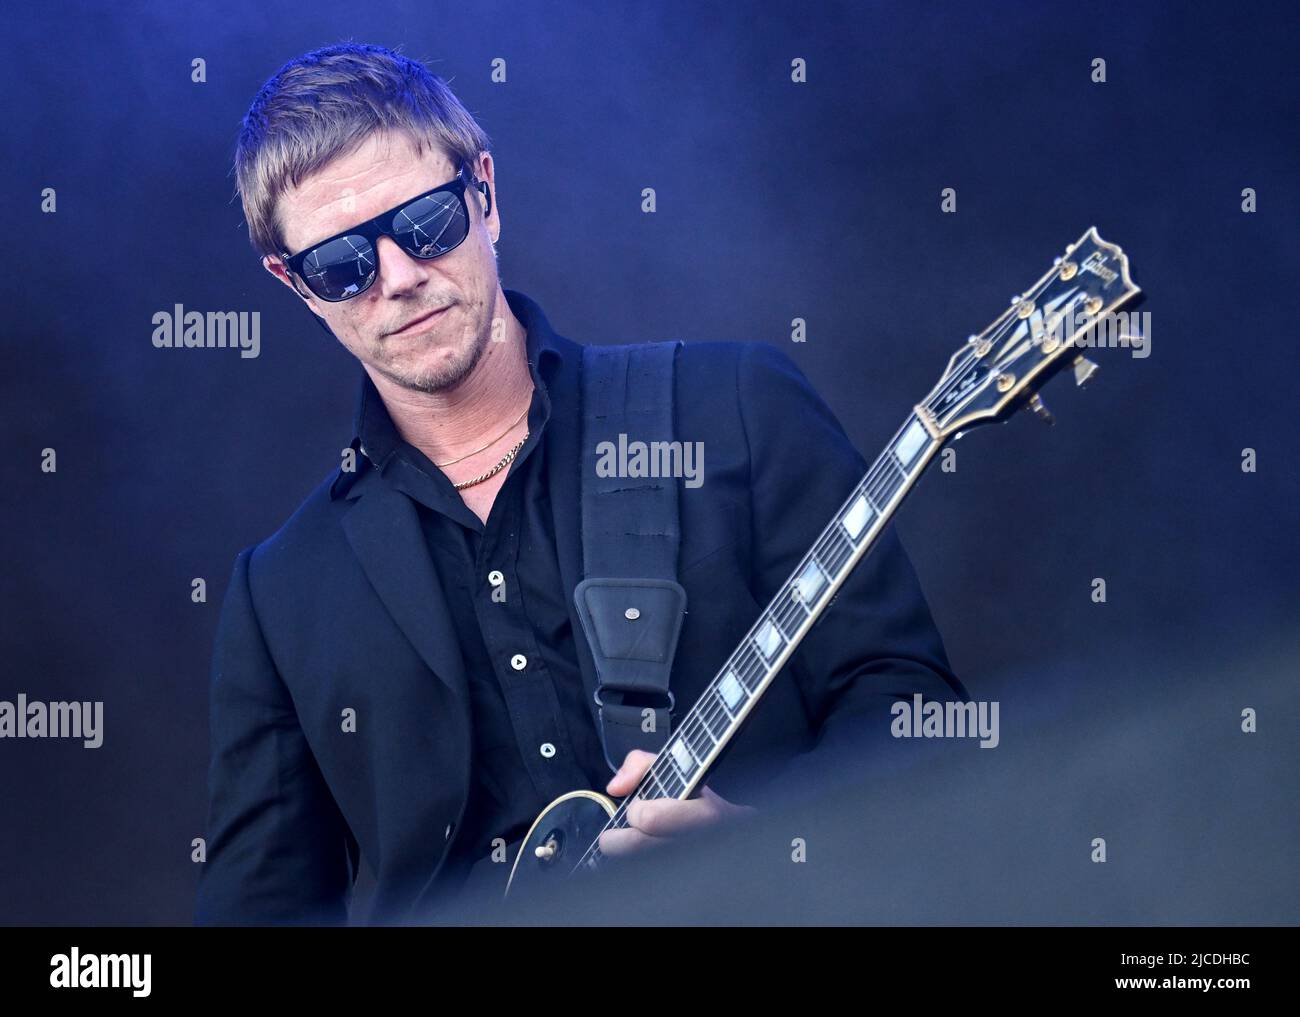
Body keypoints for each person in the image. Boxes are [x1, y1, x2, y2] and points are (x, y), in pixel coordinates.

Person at [195, 42, 964, 926]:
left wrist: (771, 847)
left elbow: (914, 717)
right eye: (343, 265)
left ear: (485, 192)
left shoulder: (734, 409)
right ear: (295, 285)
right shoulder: (280, 592)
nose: (400, 278)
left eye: (427, 224)